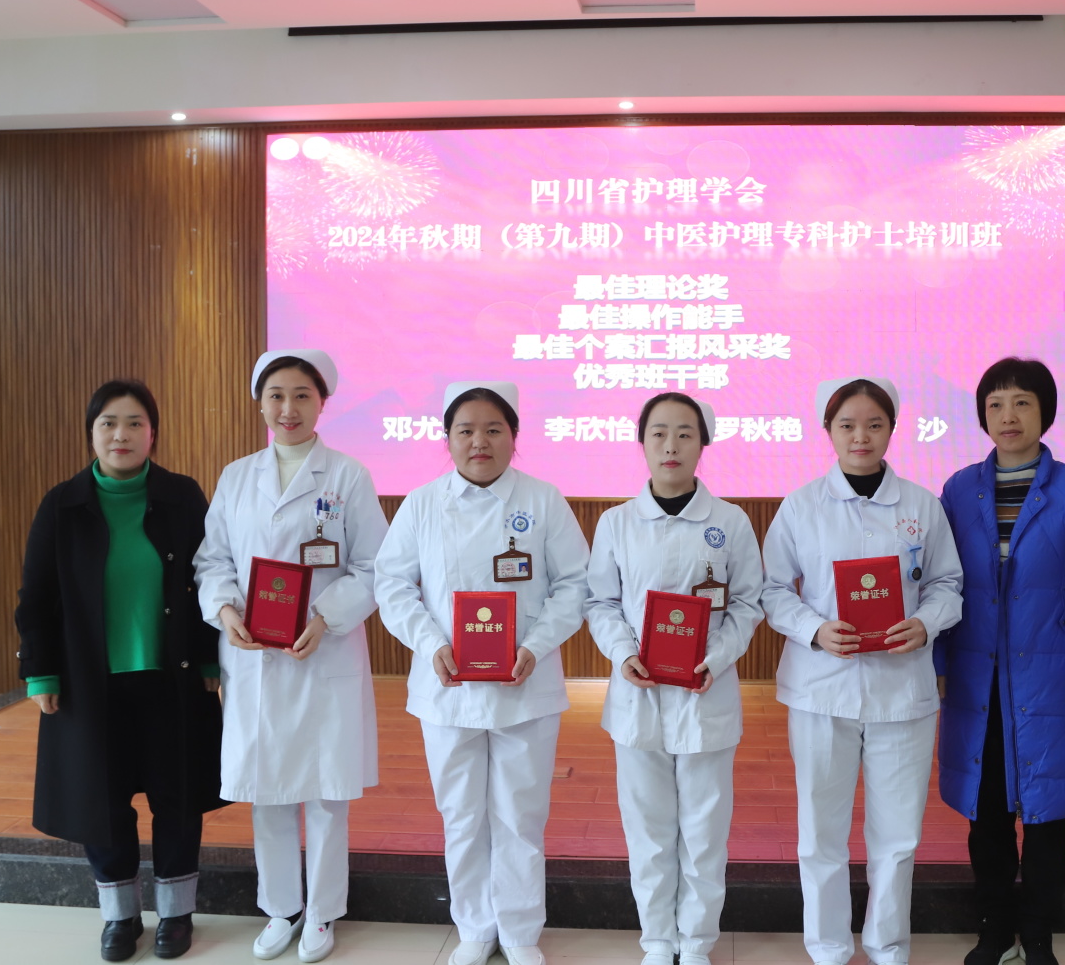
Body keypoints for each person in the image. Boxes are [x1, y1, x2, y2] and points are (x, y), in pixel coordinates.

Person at [375, 383, 590, 965]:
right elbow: (392, 584)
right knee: (461, 814)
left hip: (525, 682)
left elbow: (575, 583)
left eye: (494, 429)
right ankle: (474, 926)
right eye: (465, 430)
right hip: (447, 687)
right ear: (447, 439)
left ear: (514, 437)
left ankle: (519, 932)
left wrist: (536, 645)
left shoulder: (543, 500)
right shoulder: (422, 504)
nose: (479, 441)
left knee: (521, 814)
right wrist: (430, 644)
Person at [15, 379, 225, 961]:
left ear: (153, 433)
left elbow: (210, 581)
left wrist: (212, 657)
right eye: (108, 423)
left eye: (135, 423)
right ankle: (120, 916)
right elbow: (36, 596)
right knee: (102, 802)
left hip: (171, 677)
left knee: (176, 798)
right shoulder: (62, 505)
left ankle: (176, 913)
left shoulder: (182, 497)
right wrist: (41, 672)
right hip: (90, 683)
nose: (121, 435)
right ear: (91, 433)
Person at [193, 350, 388, 963]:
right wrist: (225, 610)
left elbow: (374, 567)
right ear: (260, 404)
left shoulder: (348, 476)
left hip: (322, 652)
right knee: (269, 789)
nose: (288, 408)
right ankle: (280, 908)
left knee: (327, 793)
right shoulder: (236, 477)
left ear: (322, 402)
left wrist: (326, 617)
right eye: (276, 395)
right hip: (255, 657)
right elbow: (212, 559)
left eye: (302, 395)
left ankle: (322, 914)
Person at [762, 377, 964, 965]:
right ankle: (828, 946)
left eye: (874, 424)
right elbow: (771, 590)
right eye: (847, 425)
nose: (861, 436)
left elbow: (948, 583)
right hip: (820, 689)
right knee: (820, 831)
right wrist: (814, 629)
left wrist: (925, 622)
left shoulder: (921, 506)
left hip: (902, 690)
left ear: (892, 430)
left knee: (898, 835)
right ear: (828, 430)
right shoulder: (801, 505)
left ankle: (887, 945)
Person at [936, 358, 1065, 965]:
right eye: (995, 404)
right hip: (976, 675)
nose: (1007, 416)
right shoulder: (959, 490)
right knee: (986, 810)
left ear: (1045, 412)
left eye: (1021, 403)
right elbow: (941, 583)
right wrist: (938, 661)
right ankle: (993, 928)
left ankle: (1037, 932)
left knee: (1047, 812)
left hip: (1051, 676)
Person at [584, 393, 766, 965]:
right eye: (659, 433)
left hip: (705, 692)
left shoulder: (730, 522)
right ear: (641, 442)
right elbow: (601, 602)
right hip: (638, 697)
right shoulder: (616, 522)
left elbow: (749, 604)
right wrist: (622, 653)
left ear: (703, 443)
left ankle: (698, 942)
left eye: (685, 433)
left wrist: (716, 657)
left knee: (705, 830)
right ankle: (658, 941)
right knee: (648, 829)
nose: (671, 445)